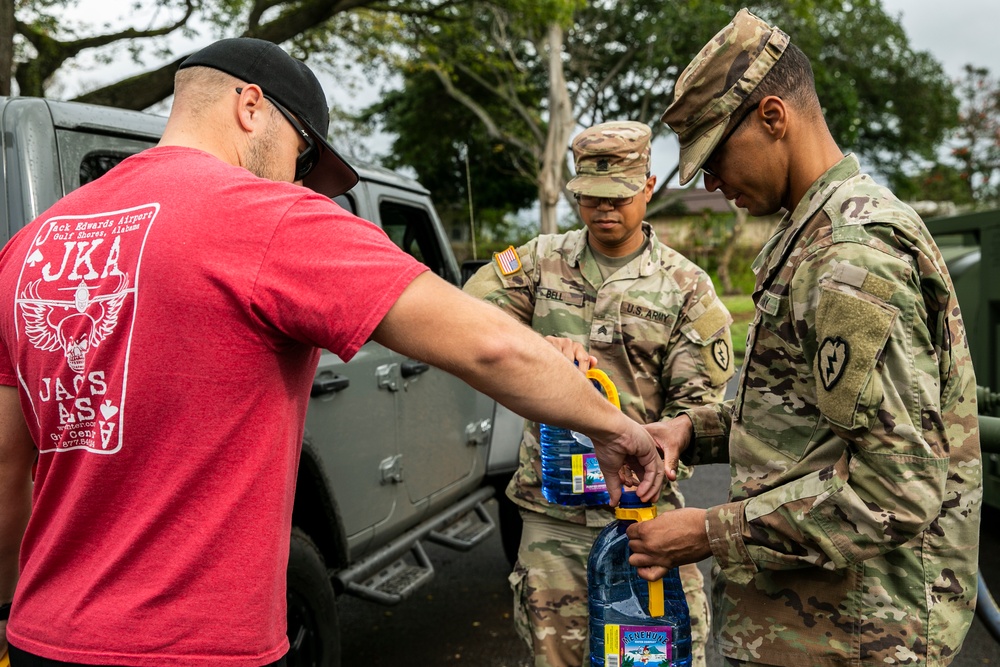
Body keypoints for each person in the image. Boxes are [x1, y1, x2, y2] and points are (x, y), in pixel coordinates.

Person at [0, 38, 668, 667]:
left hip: (41, 634)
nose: (299, 179)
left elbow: (6, 466)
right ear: (250, 105)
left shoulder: (28, 247)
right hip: (195, 647)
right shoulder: (267, 217)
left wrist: (7, 610)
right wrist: (613, 427)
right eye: (300, 154)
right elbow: (492, 346)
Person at [625, 9, 983, 667]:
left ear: (771, 117)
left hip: (852, 636)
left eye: (714, 157)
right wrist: (692, 430)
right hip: (817, 626)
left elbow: (895, 491)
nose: (710, 183)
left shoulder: (848, 259)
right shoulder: (815, 237)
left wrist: (707, 530)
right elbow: (803, 413)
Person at [464, 120, 735, 667]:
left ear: (649, 187)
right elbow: (466, 318)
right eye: (589, 197)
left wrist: (669, 441)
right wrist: (538, 347)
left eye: (618, 197)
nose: (603, 210)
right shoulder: (540, 262)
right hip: (551, 520)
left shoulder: (684, 287)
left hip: (643, 522)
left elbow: (700, 408)